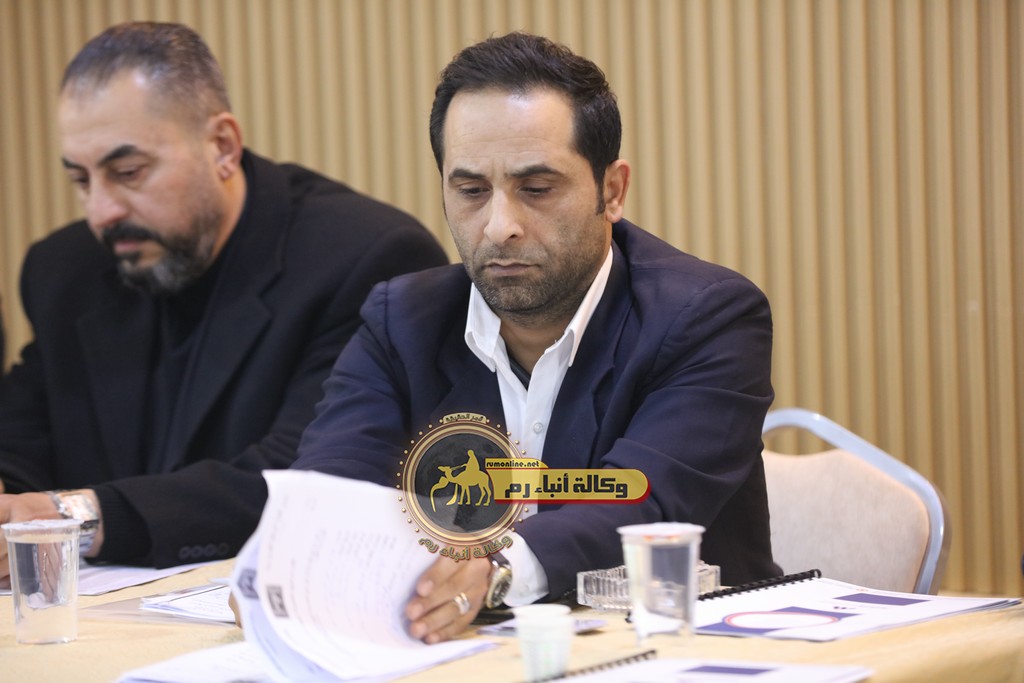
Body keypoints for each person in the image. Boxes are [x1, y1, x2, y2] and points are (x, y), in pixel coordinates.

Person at [292, 32, 779, 643]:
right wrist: (291, 570)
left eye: (537, 189)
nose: (500, 227)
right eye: (471, 191)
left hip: (676, 651)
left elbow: (644, 502)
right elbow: (332, 491)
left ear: (612, 190)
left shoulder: (706, 318)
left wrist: (495, 568)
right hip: (453, 656)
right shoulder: (401, 322)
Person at [0, 21, 448, 578]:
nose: (101, 212)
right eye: (82, 181)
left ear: (222, 146)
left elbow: (308, 480)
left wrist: (80, 515)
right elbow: (22, 437)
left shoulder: (363, 258)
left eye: (128, 172)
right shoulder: (65, 271)